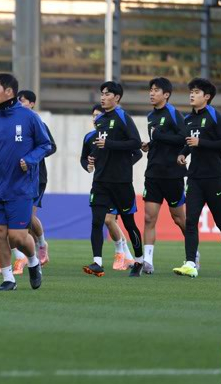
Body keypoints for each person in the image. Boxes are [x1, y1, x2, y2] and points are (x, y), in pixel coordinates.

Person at [0, 73, 49, 291]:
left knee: (17, 237)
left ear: (9, 91)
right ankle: (8, 279)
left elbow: (46, 145)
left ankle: (33, 261)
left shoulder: (29, 117)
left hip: (21, 187)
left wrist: (30, 160)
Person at [173, 78, 221, 279]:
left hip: (215, 177)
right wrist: (183, 153)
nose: (192, 95)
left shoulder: (216, 117)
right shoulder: (188, 119)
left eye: (196, 92)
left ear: (207, 96)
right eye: (191, 91)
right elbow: (189, 143)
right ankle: (190, 263)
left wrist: (201, 142)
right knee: (191, 221)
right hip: (194, 178)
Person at [82, 81, 145, 278]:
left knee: (129, 223)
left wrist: (109, 144)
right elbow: (100, 147)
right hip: (100, 181)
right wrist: (92, 158)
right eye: (102, 93)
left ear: (117, 98)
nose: (103, 97)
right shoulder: (100, 120)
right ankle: (97, 263)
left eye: (107, 94)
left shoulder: (123, 117)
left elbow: (135, 143)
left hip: (121, 182)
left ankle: (139, 261)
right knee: (97, 221)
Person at [141, 77, 187, 274]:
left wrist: (159, 137)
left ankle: (192, 255)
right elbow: (159, 141)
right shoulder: (151, 116)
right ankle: (148, 261)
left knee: (179, 218)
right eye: (151, 90)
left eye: (156, 90)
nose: (152, 93)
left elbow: (183, 139)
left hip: (172, 174)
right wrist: (150, 144)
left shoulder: (174, 113)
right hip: (153, 173)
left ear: (166, 94)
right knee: (149, 218)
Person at [80, 104, 135, 265]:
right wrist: (88, 165)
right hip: (100, 183)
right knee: (104, 221)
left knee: (110, 220)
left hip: (118, 182)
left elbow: (137, 152)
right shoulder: (89, 137)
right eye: (93, 115)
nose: (95, 118)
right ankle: (121, 255)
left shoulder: (115, 134)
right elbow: (84, 158)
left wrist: (122, 167)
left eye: (98, 115)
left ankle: (122, 253)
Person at [16, 90, 56, 266]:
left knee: (28, 216)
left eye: (23, 101)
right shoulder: (15, 123)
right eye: (18, 101)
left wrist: (32, 158)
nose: (20, 104)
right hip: (17, 177)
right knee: (21, 218)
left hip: (37, 177)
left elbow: (51, 146)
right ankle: (30, 256)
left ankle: (41, 244)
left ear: (32, 104)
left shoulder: (38, 123)